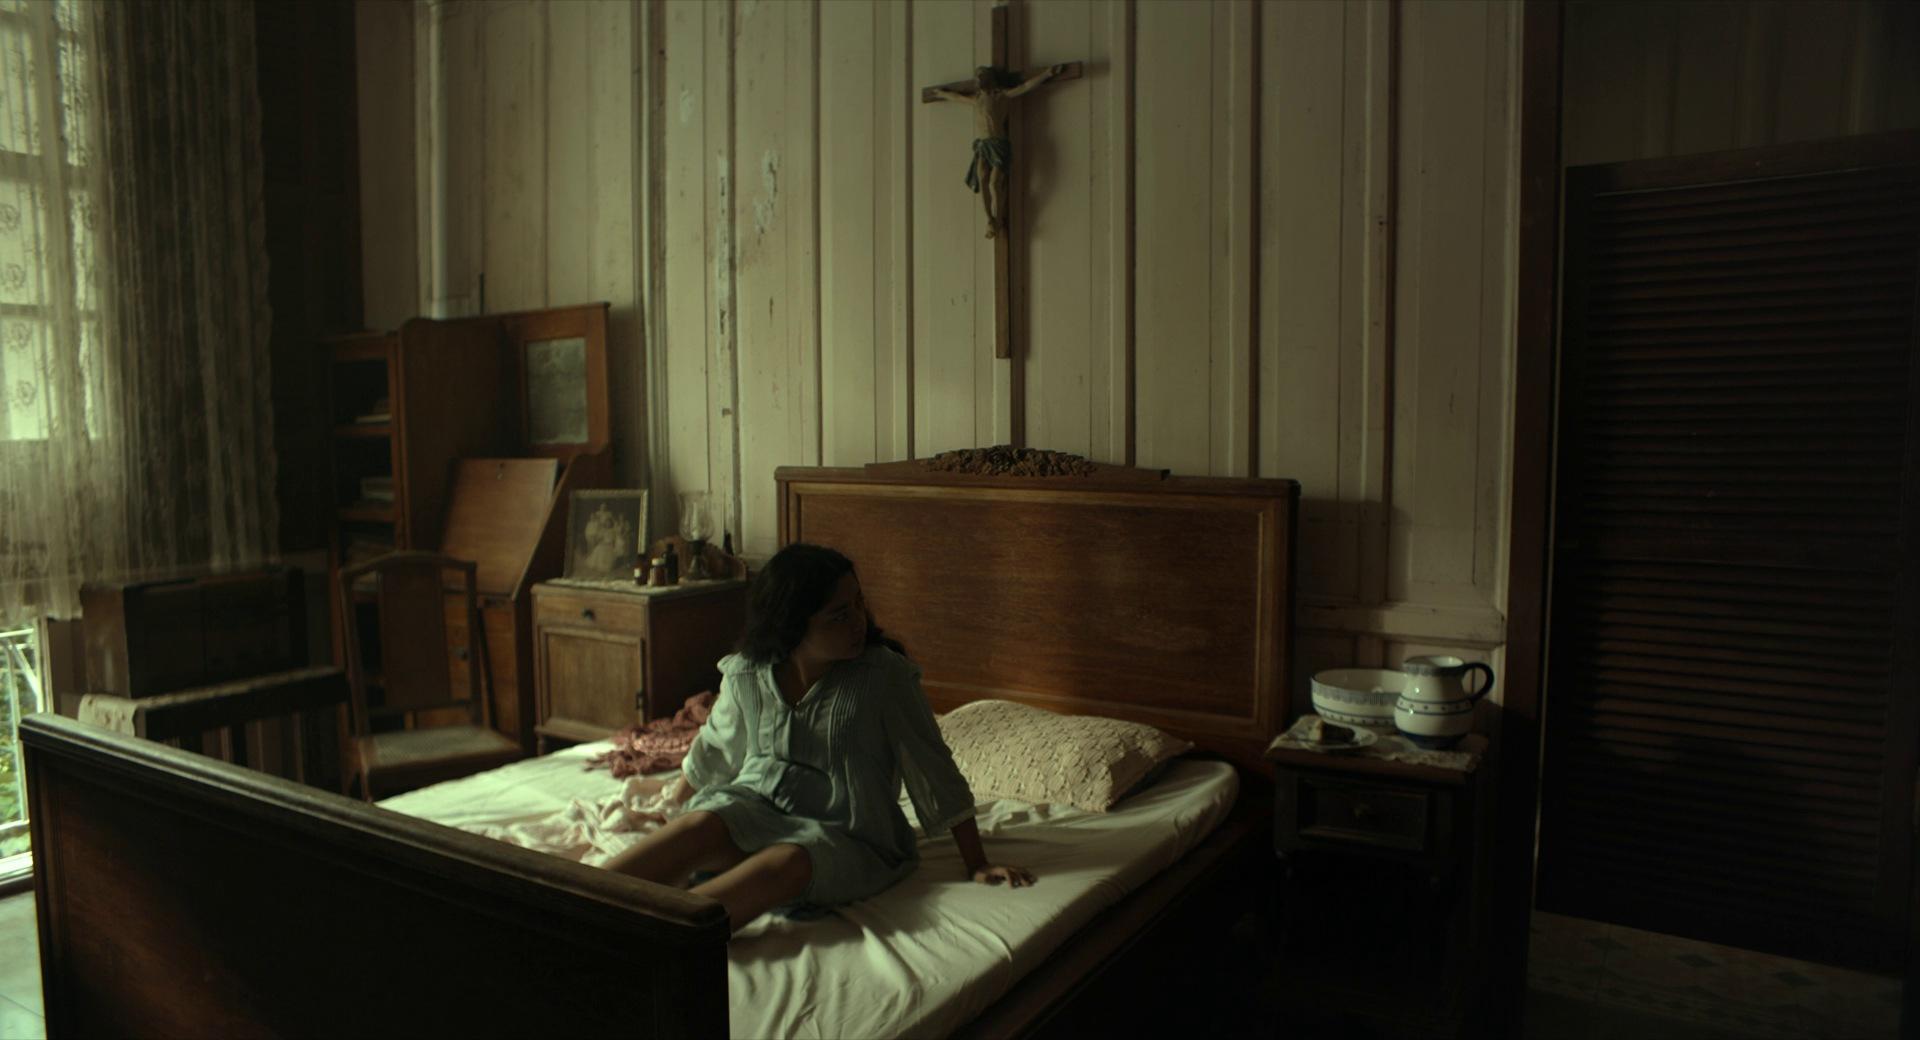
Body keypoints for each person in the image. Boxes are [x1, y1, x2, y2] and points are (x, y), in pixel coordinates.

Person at [603, 543, 1034, 932]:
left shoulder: (883, 677)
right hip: (759, 807)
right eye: (839, 615)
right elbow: (715, 747)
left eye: (859, 604)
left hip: (849, 832)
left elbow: (932, 765)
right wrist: (674, 805)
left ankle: (654, 943)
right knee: (700, 824)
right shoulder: (748, 672)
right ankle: (579, 906)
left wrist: (977, 862)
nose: (859, 621)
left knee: (787, 860)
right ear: (793, 624)